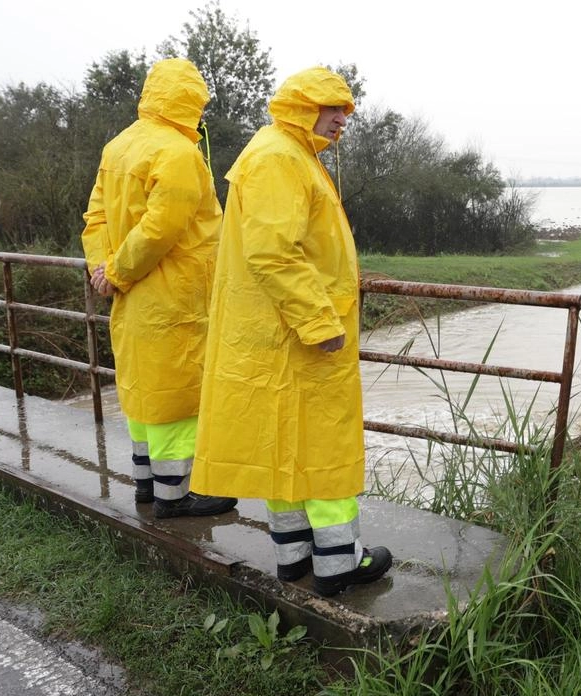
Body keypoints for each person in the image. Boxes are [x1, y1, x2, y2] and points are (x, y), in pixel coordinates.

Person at [190, 66, 392, 597]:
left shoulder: (284, 152)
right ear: (305, 107)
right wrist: (318, 320)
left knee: (286, 447)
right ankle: (338, 565)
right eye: (333, 110)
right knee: (323, 450)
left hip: (281, 334)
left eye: (346, 112)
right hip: (301, 335)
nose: (342, 120)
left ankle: (296, 561)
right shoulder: (281, 157)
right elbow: (275, 252)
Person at [80, 58, 237, 519]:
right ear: (189, 101)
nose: (203, 113)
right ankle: (176, 496)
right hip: (174, 293)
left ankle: (147, 484)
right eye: (200, 104)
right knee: (177, 396)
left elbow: (96, 218)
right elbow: (161, 229)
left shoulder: (118, 146)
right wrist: (120, 271)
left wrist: (102, 270)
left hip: (131, 299)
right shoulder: (178, 153)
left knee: (143, 389)